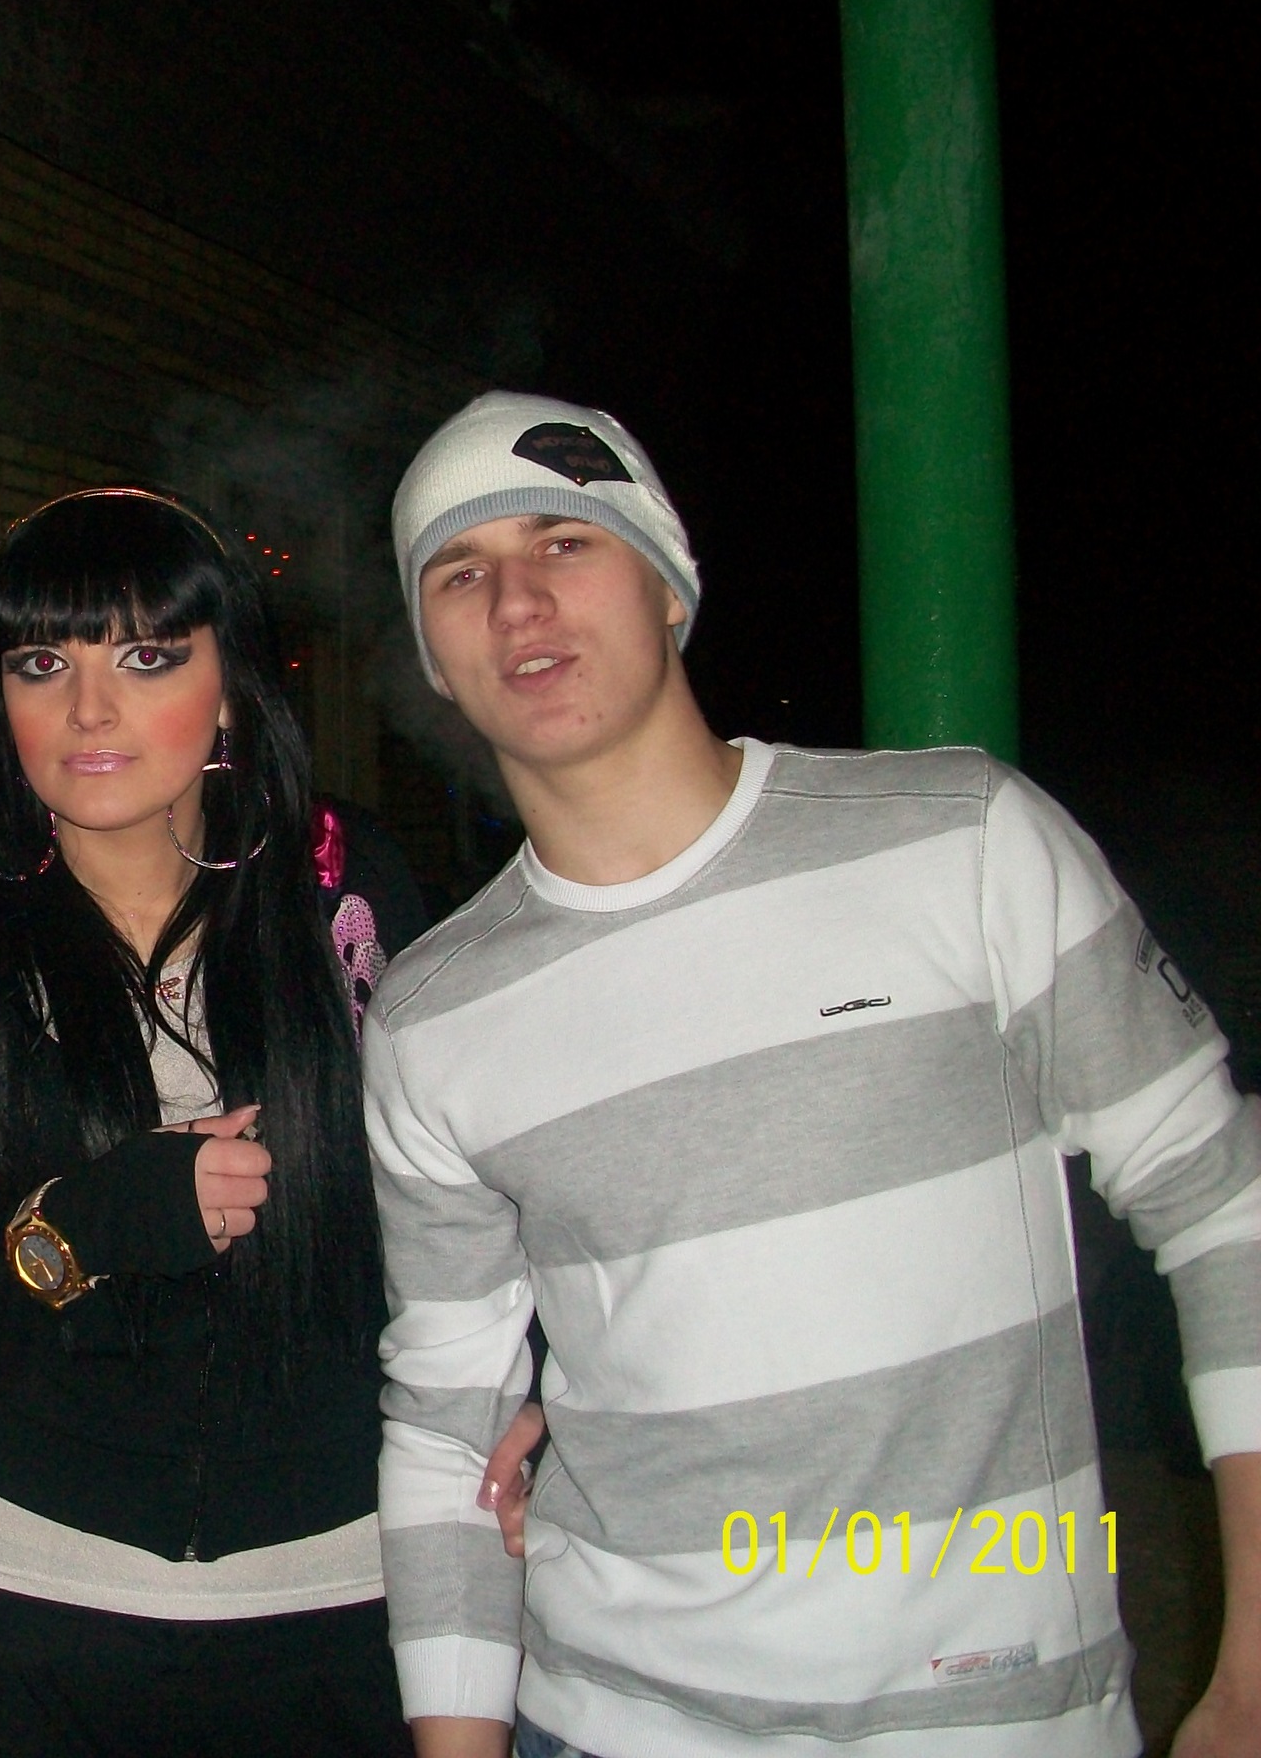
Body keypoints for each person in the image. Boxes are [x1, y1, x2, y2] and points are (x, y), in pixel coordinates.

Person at [366, 391, 1261, 1758]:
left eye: (565, 543)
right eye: (460, 573)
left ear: (669, 585)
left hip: (992, 1718)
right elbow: (445, 1423)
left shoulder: (961, 840)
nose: (518, 602)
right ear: (433, 655)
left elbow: (1223, 1208)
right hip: (605, 1723)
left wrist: (1250, 1670)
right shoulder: (432, 1014)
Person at [0, 487, 436, 1755]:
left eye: (147, 658)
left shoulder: (344, 889)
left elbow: (459, 1215)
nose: (89, 711)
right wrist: (91, 1223)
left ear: (230, 690)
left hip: (346, 1590)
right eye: (42, 664)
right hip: (28, 1602)